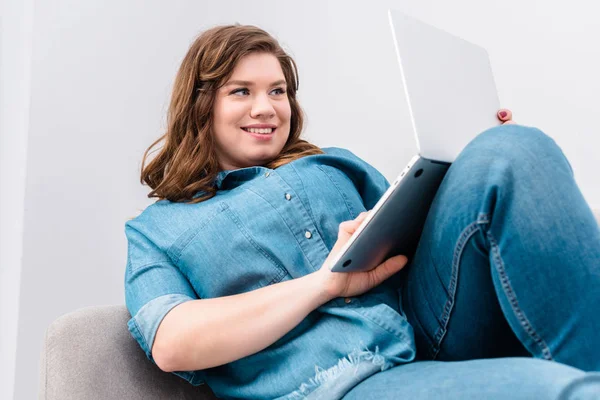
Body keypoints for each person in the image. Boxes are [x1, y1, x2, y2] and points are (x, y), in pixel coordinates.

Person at [124, 24, 600, 399]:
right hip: (347, 378)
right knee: (564, 392)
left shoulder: (329, 163)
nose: (267, 107)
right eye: (241, 91)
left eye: (278, 91)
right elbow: (172, 342)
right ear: (201, 104)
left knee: (512, 148)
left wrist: (476, 151)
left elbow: (432, 236)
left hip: (428, 322)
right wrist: (326, 282)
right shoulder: (158, 230)